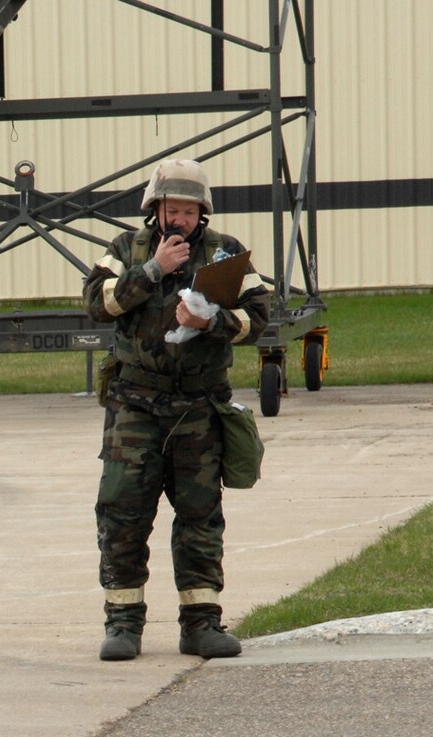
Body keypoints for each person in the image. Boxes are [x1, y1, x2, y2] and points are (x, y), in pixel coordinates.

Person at [81, 158, 271, 661]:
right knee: (122, 513)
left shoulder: (225, 255)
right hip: (134, 408)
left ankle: (202, 622)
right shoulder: (127, 250)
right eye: (173, 209)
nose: (180, 220)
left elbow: (259, 318)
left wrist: (212, 322)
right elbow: (96, 303)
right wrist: (152, 272)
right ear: (155, 209)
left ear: (202, 214)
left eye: (190, 211)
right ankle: (123, 624)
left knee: (200, 516)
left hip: (198, 408)